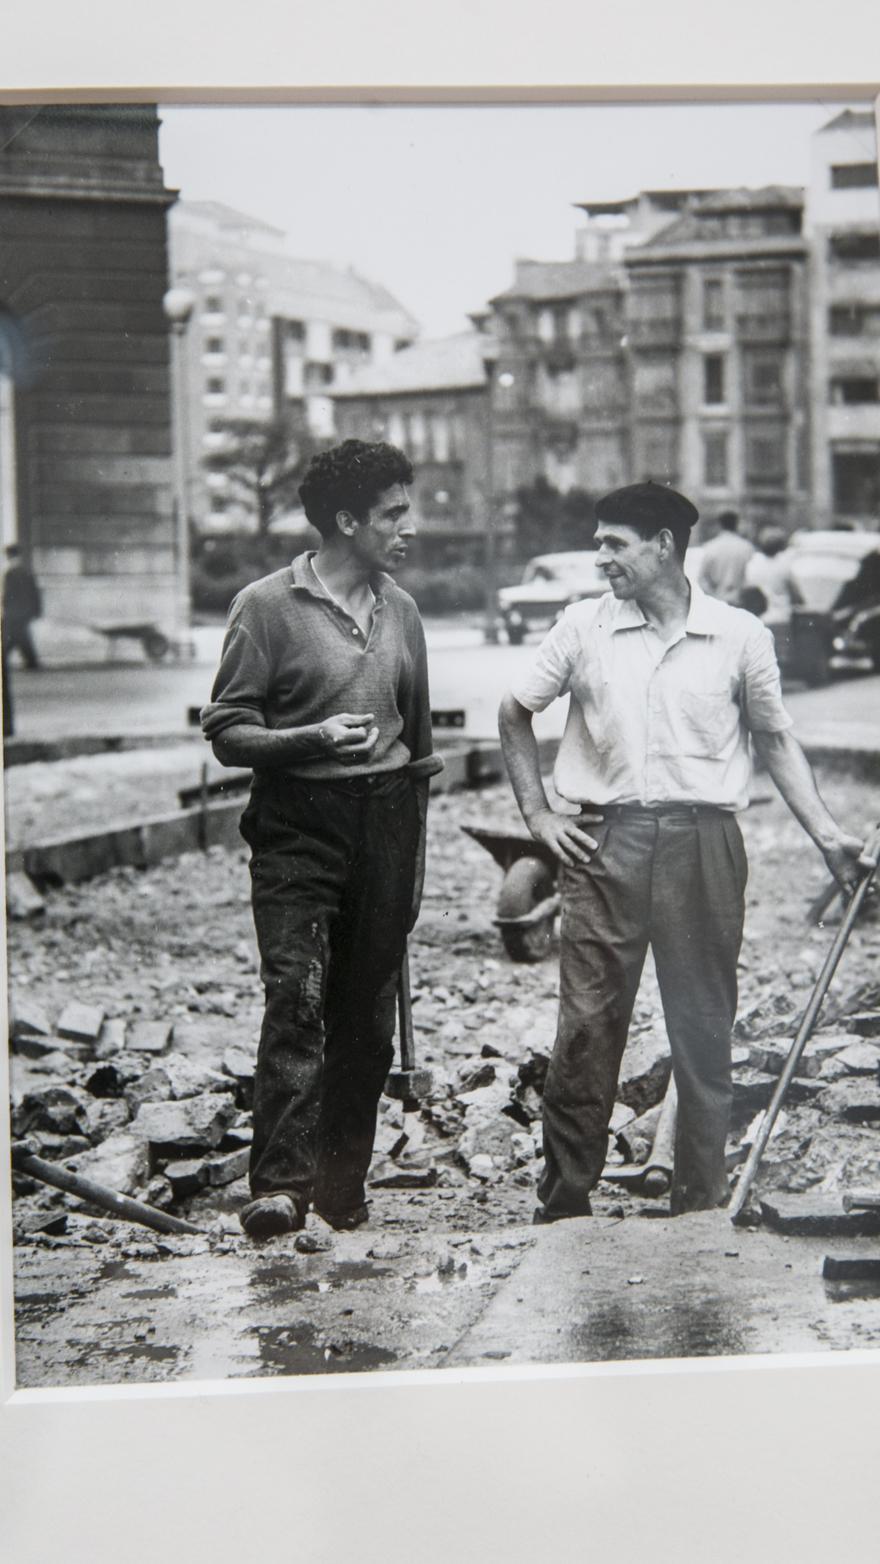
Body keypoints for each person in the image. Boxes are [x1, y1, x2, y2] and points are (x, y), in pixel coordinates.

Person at [498, 481, 867, 1221]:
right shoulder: (581, 628)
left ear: (664, 545)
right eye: (599, 543)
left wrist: (828, 836)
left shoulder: (738, 634)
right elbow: (514, 710)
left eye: (615, 544)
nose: (601, 558)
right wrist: (538, 813)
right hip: (605, 845)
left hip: (706, 844)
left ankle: (697, 1201)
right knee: (588, 1025)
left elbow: (775, 738)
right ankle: (565, 1199)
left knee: (702, 1024)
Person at [202, 439, 442, 1240]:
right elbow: (228, 729)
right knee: (296, 999)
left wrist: (412, 856)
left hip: (388, 823)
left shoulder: (402, 611)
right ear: (347, 521)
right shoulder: (266, 607)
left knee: (366, 1019)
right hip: (298, 824)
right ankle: (278, 1189)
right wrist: (308, 738)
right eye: (394, 513)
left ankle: (342, 1190)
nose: (410, 527)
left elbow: (420, 744)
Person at [741, 525, 804, 664]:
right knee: (779, 660)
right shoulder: (784, 565)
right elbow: (796, 594)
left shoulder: (753, 564)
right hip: (781, 617)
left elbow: (747, 588)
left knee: (761, 659)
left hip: (759, 617)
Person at [697, 509, 753, 606]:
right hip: (739, 602)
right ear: (736, 524)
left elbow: (702, 579)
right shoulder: (747, 547)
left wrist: (714, 595)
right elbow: (751, 578)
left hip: (717, 600)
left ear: (720, 525)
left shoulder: (709, 547)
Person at [2, 543, 42, 670]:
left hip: (13, 612)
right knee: (20, 637)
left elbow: (8, 594)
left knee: (12, 638)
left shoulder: (10, 573)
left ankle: (31, 662)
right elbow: (35, 592)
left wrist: (4, 604)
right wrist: (37, 610)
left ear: (9, 557)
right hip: (25, 612)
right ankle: (32, 662)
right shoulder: (27, 571)